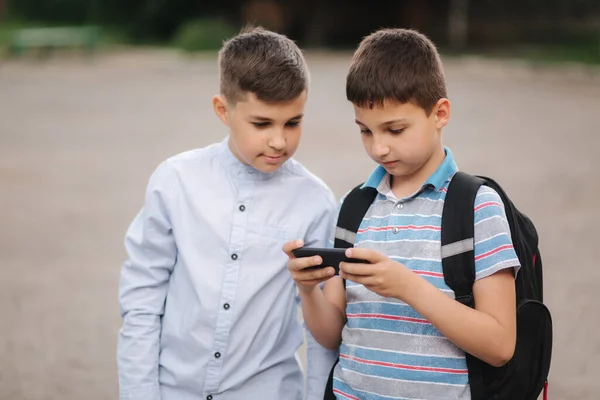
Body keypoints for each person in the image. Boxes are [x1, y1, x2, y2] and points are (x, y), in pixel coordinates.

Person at [285, 28, 520, 399]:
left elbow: (500, 344)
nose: (379, 147)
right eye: (365, 131)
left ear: (440, 113)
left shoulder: (476, 206)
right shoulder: (355, 206)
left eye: (395, 129)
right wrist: (307, 288)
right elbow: (332, 334)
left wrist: (407, 287)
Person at [118, 26, 337, 400]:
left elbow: (322, 332)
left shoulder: (315, 201)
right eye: (261, 123)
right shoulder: (175, 181)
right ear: (223, 110)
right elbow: (142, 299)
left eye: (293, 122)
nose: (279, 141)